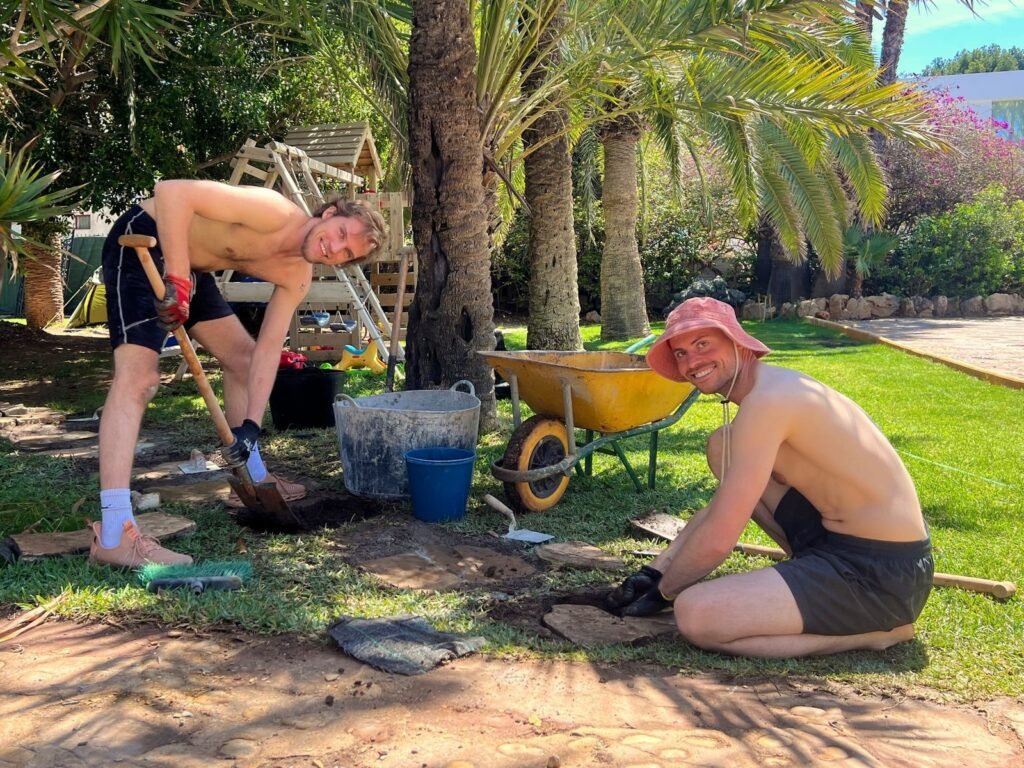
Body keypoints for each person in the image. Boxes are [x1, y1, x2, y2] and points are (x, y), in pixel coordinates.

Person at [605, 297, 933, 657]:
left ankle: (878, 632)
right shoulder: (764, 394)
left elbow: (719, 539)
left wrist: (667, 592)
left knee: (695, 614)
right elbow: (720, 510)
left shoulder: (769, 402)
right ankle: (808, 575)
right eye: (681, 353)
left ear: (736, 341)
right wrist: (656, 571)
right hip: (834, 541)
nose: (691, 362)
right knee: (721, 445)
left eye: (702, 345)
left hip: (881, 572)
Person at [90, 180, 388, 567]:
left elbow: (266, 352)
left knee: (244, 361)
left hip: (190, 269)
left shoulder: (297, 275)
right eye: (341, 234)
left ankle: (251, 474)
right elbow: (172, 192)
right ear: (329, 214)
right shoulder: (272, 210)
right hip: (143, 240)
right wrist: (178, 281)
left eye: (346, 253)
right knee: (140, 380)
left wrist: (250, 426)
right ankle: (114, 533)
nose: (334, 248)